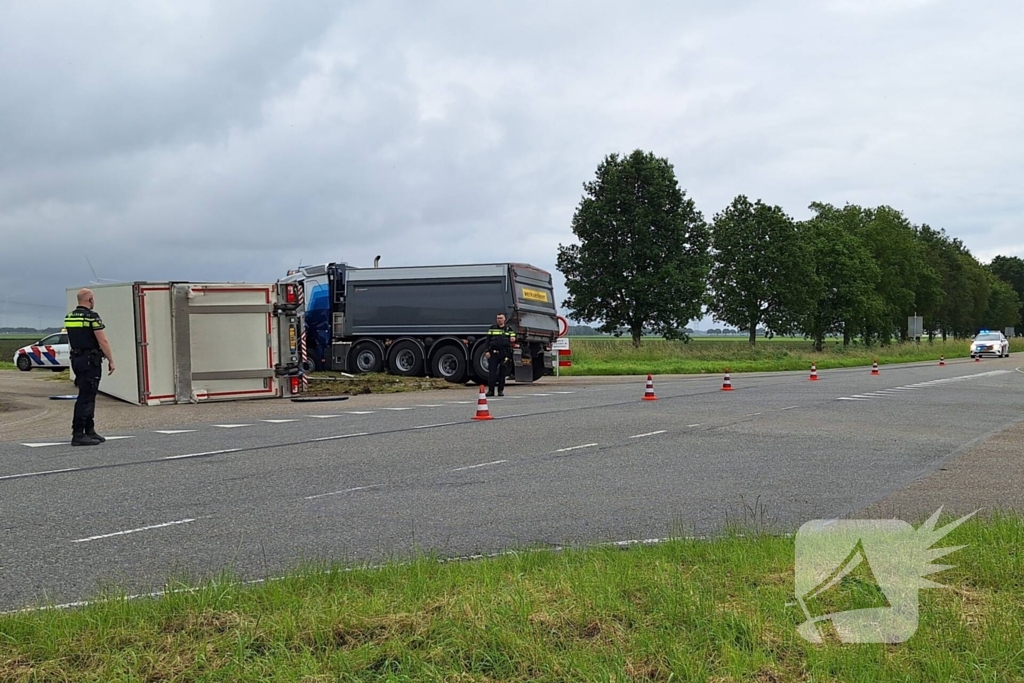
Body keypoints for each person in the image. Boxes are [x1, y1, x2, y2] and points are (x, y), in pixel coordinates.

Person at [64, 288, 115, 446]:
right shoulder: (92, 317)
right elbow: (102, 341)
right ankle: (78, 433)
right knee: (87, 397)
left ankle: (90, 430)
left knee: (87, 394)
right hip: (90, 360)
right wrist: (111, 360)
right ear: (90, 300)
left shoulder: (70, 317)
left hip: (77, 360)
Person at [485, 312, 516, 397]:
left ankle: (500, 391)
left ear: (504, 319)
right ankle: (491, 391)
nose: (499, 320)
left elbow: (513, 337)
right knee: (492, 373)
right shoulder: (492, 328)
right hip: (494, 353)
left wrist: (513, 338)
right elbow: (487, 341)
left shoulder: (509, 329)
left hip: (504, 353)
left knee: (502, 373)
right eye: (498, 318)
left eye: (501, 318)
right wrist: (487, 351)